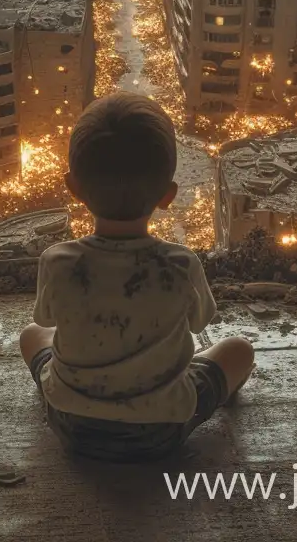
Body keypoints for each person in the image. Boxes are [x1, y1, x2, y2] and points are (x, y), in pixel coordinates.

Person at [17, 91, 253, 461]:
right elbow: (200, 322)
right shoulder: (180, 263)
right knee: (239, 350)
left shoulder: (58, 260)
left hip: (72, 426)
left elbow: (44, 320)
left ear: (74, 188)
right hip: (161, 432)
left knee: (32, 336)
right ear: (167, 196)